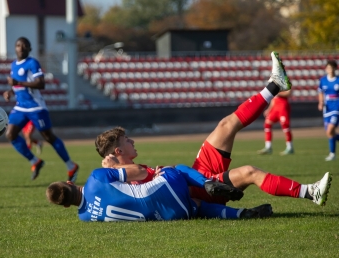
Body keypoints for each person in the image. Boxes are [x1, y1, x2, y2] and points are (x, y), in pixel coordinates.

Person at [96, 52, 332, 207]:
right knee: (250, 172)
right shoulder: (120, 179)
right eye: (127, 140)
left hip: (195, 175)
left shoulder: (123, 171)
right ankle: (310, 192)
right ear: (117, 152)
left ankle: (275, 84)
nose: (132, 141)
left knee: (226, 124)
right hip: (199, 191)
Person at [46, 164, 273, 222]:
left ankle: (241, 214)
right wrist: (156, 172)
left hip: (167, 215)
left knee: (198, 207)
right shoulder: (95, 177)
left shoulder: (85, 218)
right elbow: (139, 171)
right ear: (70, 182)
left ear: (66, 206)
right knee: (176, 169)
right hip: (161, 192)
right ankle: (207, 183)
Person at [3, 37, 79, 181]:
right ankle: (35, 161)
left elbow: (40, 83)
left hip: (36, 107)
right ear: (15, 48)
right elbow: (17, 85)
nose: (21, 47)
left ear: (29, 49)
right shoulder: (14, 65)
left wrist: (17, 82)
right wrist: (10, 92)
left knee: (48, 137)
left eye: (25, 45)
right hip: (20, 107)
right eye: (18, 45)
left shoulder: (32, 63)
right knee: (10, 134)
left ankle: (71, 166)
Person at [257, 89, 294, 155]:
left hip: (283, 106)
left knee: (285, 126)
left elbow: (289, 93)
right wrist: (268, 109)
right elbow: (273, 99)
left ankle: (290, 147)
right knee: (267, 124)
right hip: (275, 106)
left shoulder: (286, 82)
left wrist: (278, 93)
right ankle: (268, 147)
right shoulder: (275, 84)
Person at [317, 59, 339, 161]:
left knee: (330, 130)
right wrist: (321, 102)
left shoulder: (338, 80)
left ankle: (332, 154)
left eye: (332, 68)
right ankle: (333, 154)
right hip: (327, 109)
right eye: (328, 68)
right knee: (329, 133)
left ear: (335, 68)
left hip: (336, 108)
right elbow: (320, 92)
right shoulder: (323, 80)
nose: (330, 70)